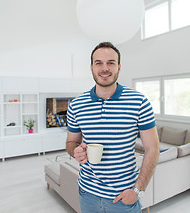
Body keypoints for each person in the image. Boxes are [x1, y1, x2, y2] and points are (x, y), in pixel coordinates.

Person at [66, 42, 159, 213]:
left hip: (124, 197)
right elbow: (71, 141)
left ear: (119, 67)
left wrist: (138, 190)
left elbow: (152, 148)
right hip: (87, 194)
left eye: (111, 62)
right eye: (98, 63)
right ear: (91, 68)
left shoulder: (139, 102)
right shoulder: (76, 105)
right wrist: (75, 151)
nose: (104, 68)